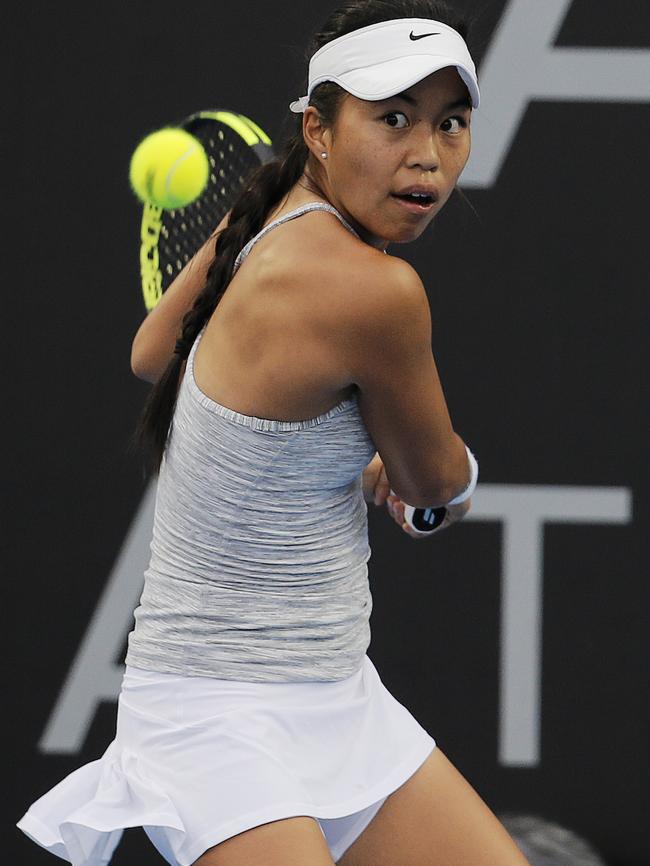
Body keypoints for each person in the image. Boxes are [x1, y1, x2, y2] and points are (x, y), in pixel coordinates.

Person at [17, 2, 532, 865]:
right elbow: (437, 481)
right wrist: (435, 481)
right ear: (319, 130)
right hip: (214, 722)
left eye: (451, 122)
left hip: (337, 700)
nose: (427, 155)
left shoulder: (262, 219)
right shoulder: (377, 292)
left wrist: (322, 443)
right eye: (393, 117)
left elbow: (154, 353)